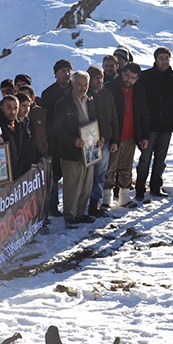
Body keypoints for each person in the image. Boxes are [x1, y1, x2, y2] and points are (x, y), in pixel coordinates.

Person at [52, 71, 102, 229]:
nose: (83, 88)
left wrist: (99, 137)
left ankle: (81, 212)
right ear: (72, 84)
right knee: (73, 184)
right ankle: (70, 215)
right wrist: (73, 140)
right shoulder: (62, 103)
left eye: (86, 84)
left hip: (89, 147)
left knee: (87, 183)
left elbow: (94, 121)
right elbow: (56, 129)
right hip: (71, 150)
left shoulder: (91, 100)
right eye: (79, 84)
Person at [134, 47, 173, 200]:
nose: (164, 61)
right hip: (149, 126)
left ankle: (155, 187)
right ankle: (139, 188)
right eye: (161, 58)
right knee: (145, 159)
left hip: (166, 126)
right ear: (155, 59)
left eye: (166, 58)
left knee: (160, 160)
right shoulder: (145, 77)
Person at [103, 63, 150, 207]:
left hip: (131, 136)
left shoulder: (139, 90)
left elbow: (144, 114)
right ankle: (106, 200)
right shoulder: (111, 88)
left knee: (126, 167)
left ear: (137, 79)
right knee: (109, 169)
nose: (129, 80)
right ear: (122, 73)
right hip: (114, 136)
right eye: (127, 75)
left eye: (133, 78)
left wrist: (144, 136)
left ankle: (124, 198)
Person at [41, 59, 74, 217]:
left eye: (68, 70)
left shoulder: (76, 88)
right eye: (63, 71)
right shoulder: (48, 94)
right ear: (55, 74)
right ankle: (53, 205)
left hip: (74, 138)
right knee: (54, 175)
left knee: (71, 173)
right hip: (55, 139)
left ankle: (71, 204)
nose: (66, 74)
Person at [86, 66, 118, 217]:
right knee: (86, 175)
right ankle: (81, 205)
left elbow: (113, 117)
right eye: (95, 78)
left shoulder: (107, 94)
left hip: (104, 141)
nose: (99, 81)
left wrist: (112, 138)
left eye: (101, 77)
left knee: (100, 174)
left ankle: (94, 204)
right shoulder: (85, 96)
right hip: (88, 141)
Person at [0, 95, 23, 178]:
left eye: (15, 108)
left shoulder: (19, 124)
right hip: (4, 174)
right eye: (9, 107)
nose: (12, 111)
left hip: (21, 172)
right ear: (2, 108)